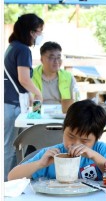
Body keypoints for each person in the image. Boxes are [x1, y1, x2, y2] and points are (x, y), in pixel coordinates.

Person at [8, 99, 106, 181]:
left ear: (97, 138)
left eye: (84, 141)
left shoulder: (100, 150)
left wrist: (94, 156)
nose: (75, 144)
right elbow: (12, 178)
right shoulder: (53, 154)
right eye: (71, 136)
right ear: (63, 129)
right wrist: (40, 164)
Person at [4, 13, 45, 180]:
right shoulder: (23, 50)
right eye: (39, 31)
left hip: (8, 101)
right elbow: (24, 79)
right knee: (10, 146)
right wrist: (38, 93)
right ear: (30, 32)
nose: (40, 35)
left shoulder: (12, 46)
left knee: (10, 145)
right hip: (13, 104)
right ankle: (7, 182)